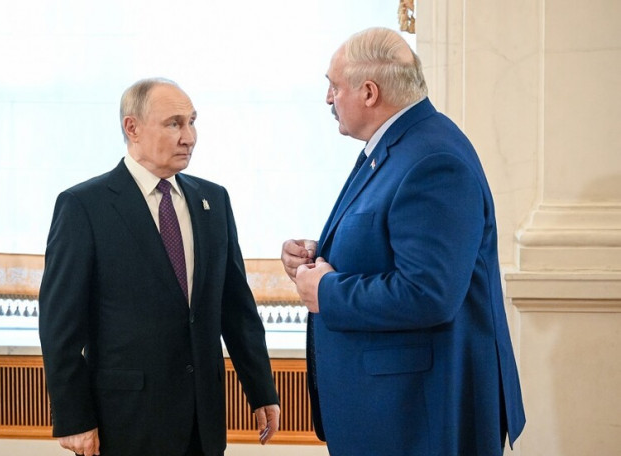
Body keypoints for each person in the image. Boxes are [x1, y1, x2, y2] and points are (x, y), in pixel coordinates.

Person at [281, 27, 525, 455]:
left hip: (420, 416)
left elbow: (429, 292)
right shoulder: (402, 145)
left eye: (334, 86)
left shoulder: (433, 159)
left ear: (369, 93)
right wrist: (319, 257)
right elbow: (392, 245)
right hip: (396, 410)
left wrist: (327, 291)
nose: (328, 99)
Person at [39, 77, 280, 456]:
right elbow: (60, 326)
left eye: (192, 122)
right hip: (125, 420)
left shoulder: (213, 200)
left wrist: (261, 389)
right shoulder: (84, 206)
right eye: (174, 124)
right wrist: (74, 417)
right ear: (132, 128)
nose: (189, 137)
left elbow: (236, 307)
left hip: (203, 420)